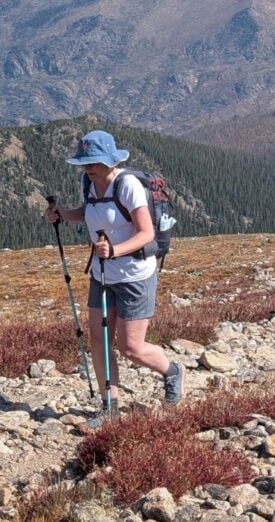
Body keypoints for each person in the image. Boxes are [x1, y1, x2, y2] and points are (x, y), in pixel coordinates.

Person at [46, 129, 185, 426]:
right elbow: (91, 211)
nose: (88, 168)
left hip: (135, 275)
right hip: (102, 274)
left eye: (93, 163)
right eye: (85, 163)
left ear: (111, 161)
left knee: (131, 348)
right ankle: (110, 407)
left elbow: (146, 233)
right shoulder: (89, 183)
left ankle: (172, 371)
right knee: (99, 341)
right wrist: (63, 215)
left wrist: (115, 250)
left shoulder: (127, 185)